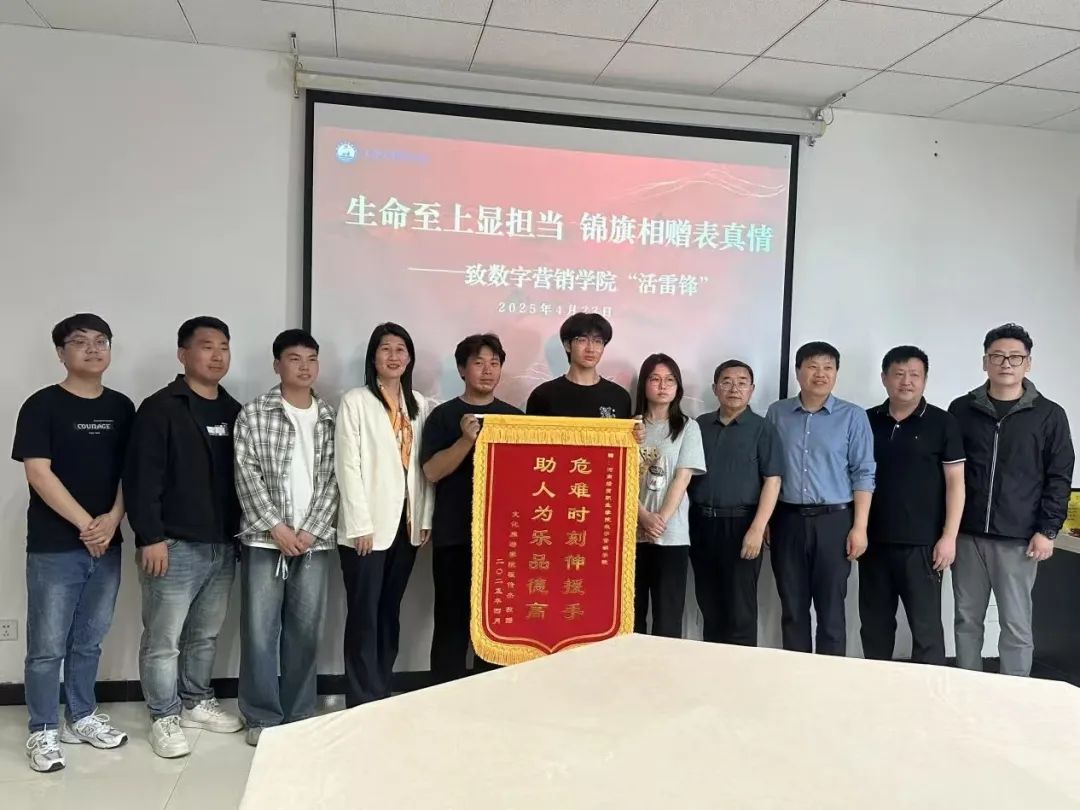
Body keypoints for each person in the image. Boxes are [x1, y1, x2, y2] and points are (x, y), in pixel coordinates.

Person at [12, 314, 134, 773]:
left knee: (89, 640)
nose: (93, 349)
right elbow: (38, 472)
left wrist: (114, 519)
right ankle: (43, 728)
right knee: (47, 646)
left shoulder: (122, 406)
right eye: (80, 342)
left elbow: (130, 473)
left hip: (108, 542)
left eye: (101, 341)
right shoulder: (41, 405)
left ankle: (80, 716)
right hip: (55, 546)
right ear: (61, 353)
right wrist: (88, 525)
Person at [124, 316, 244, 758]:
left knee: (205, 634)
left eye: (224, 347)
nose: (217, 355)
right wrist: (150, 537)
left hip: (222, 544)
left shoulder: (235, 411)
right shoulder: (161, 408)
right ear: (183, 354)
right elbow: (141, 478)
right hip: (172, 545)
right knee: (163, 639)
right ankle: (164, 715)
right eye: (207, 346)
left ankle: (196, 701)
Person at [949, 324, 1074, 677]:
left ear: (1028, 363)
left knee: (1016, 625)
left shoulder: (1049, 415)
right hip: (967, 535)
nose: (1006, 363)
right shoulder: (961, 410)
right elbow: (948, 473)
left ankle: (1015, 694)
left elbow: (1059, 476)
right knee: (966, 620)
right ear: (985, 362)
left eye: (1015, 357)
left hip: (1019, 539)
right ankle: (968, 688)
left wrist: (1047, 530)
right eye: (998, 356)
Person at [234, 329, 338, 746]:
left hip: (314, 542)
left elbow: (334, 480)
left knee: (306, 630)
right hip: (265, 540)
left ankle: (300, 713)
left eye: (311, 359)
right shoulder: (254, 413)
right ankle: (261, 715)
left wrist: (310, 530)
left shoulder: (329, 417)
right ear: (277, 365)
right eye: (294, 359)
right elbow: (246, 475)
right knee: (260, 631)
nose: (304, 367)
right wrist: (276, 527)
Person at [336, 322, 434, 707]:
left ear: (409, 358)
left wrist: (424, 518)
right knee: (364, 613)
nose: (393, 356)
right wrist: (359, 524)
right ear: (373, 357)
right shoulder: (356, 401)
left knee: (389, 610)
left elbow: (422, 469)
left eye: (400, 349)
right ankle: (361, 697)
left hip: (406, 527)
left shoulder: (419, 404)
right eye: (385, 349)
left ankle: (381, 689)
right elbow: (348, 467)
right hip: (368, 529)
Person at [421, 334, 522, 683]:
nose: (487, 370)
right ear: (462, 369)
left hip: (503, 542)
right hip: (454, 536)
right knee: (451, 622)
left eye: (494, 363)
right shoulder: (443, 416)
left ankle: (490, 696)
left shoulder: (515, 418)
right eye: (478, 363)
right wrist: (466, 440)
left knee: (496, 624)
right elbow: (432, 472)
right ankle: (444, 695)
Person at [766, 342, 875, 656]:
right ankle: (796, 675)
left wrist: (860, 527)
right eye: (813, 366)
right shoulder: (777, 413)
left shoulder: (852, 416)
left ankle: (831, 678)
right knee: (792, 607)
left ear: (836, 373)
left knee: (831, 611)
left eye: (828, 367)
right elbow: (768, 470)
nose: (821, 374)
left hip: (834, 521)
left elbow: (864, 473)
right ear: (798, 371)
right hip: (787, 520)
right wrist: (767, 520)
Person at [861, 346, 965, 666]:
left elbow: (956, 483)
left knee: (926, 630)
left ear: (924, 380)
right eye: (898, 374)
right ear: (884, 378)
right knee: (875, 627)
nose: (906, 381)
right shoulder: (866, 420)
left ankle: (929, 691)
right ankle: (876, 688)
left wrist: (949, 537)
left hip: (923, 545)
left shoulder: (943, 422)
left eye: (914, 375)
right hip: (874, 542)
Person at [688, 360, 783, 646]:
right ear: (715, 388)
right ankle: (714, 667)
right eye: (727, 382)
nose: (734, 388)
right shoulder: (699, 425)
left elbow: (773, 481)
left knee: (740, 608)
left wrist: (758, 528)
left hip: (742, 525)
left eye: (742, 383)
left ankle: (742, 669)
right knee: (709, 603)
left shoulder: (762, 428)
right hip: (701, 525)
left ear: (752, 390)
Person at [633, 354, 706, 638]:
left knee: (668, 617)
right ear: (644, 384)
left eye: (670, 380)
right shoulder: (630, 427)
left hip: (671, 534)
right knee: (631, 616)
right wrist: (642, 516)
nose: (663, 386)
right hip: (631, 534)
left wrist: (659, 520)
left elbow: (682, 478)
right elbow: (619, 477)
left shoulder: (688, 427)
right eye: (655, 379)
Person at [525, 313, 632, 419]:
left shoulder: (619, 397)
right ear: (567, 345)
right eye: (582, 340)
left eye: (598, 341)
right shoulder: (543, 396)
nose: (590, 349)